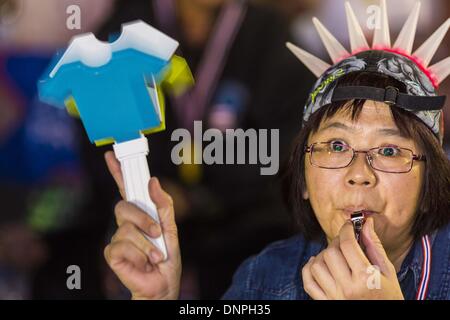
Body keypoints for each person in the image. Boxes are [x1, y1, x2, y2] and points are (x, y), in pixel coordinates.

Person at [103, 0, 450, 299]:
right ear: (301, 179)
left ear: (430, 176)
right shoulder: (262, 279)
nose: (359, 175)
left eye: (389, 151)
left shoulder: (264, 35)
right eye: (336, 146)